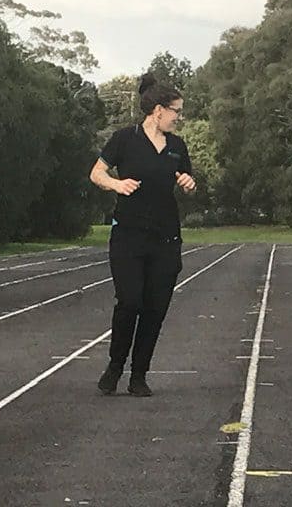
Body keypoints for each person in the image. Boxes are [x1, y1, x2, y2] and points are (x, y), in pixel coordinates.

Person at [89, 72, 196, 397]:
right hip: (129, 238)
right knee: (130, 300)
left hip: (165, 239)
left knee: (155, 307)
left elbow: (189, 183)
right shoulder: (125, 138)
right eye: (176, 111)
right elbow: (96, 172)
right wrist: (116, 184)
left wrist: (189, 185)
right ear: (158, 110)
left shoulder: (177, 146)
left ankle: (139, 374)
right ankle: (115, 365)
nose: (179, 117)